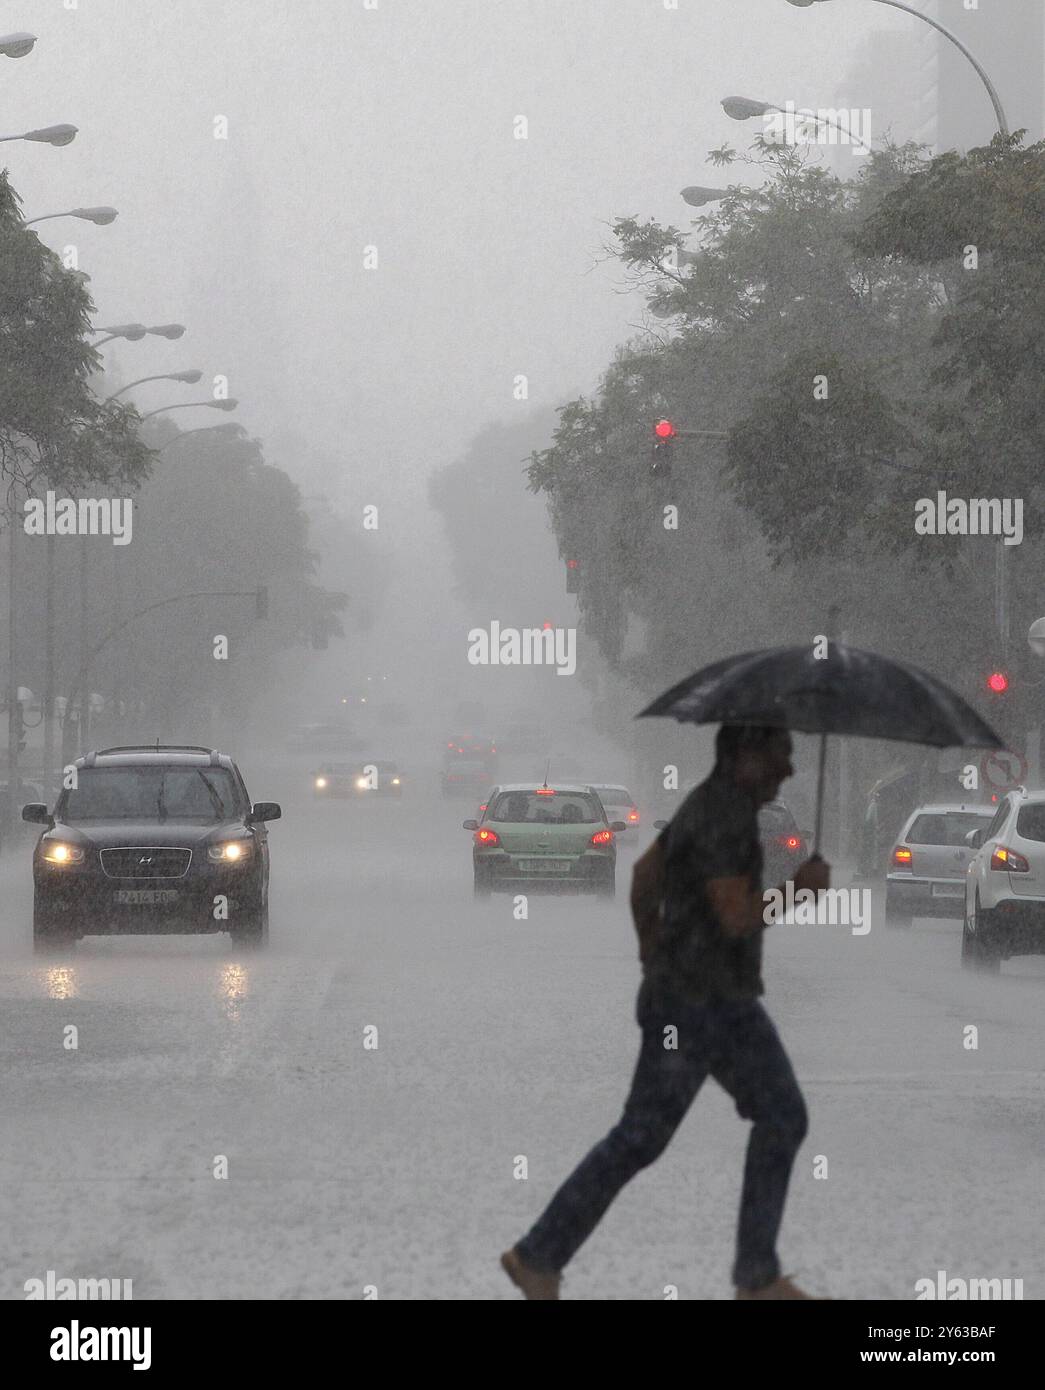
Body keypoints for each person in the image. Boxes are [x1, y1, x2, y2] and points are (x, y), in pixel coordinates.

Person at [501, 723, 830, 1300]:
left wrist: (653, 952)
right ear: (741, 757)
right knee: (737, 1121)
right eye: (779, 754)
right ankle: (752, 1277)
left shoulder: (702, 806)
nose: (789, 769)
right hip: (705, 1006)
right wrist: (799, 891)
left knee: (663, 1133)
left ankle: (541, 1255)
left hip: (703, 1000)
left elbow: (642, 878)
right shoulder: (724, 816)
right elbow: (734, 917)